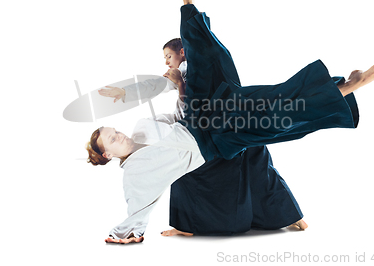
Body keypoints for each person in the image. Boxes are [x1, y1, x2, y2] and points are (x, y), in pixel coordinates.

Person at [86, 0, 374, 244]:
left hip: (202, 118)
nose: (120, 135)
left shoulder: (142, 128)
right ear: (109, 155)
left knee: (236, 78)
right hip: (215, 140)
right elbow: (140, 203)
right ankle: (343, 88)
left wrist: (175, 87)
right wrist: (126, 232)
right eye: (113, 139)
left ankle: (188, 2)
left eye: (115, 130)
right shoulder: (136, 172)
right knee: (274, 120)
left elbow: (178, 116)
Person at [99, 38, 307, 237]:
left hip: (215, 133)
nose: (166, 62)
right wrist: (127, 92)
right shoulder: (188, 70)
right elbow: (159, 86)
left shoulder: (193, 69)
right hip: (218, 131)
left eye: (168, 56)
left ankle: (190, 225)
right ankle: (290, 217)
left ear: (182, 52)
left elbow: (172, 92)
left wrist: (129, 91)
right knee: (257, 166)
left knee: (248, 162)